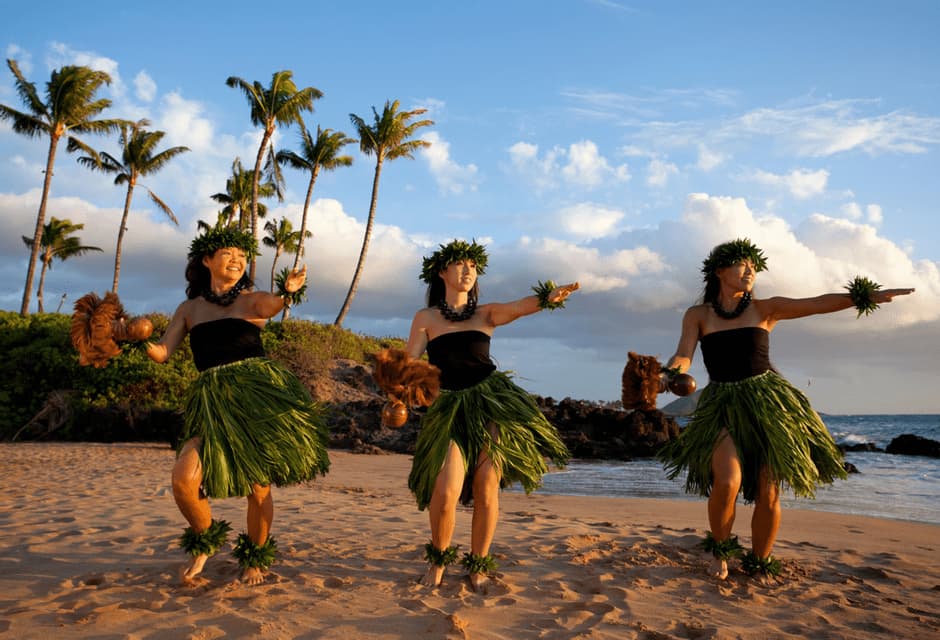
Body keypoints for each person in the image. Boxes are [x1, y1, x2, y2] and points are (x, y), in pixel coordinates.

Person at [658, 238, 914, 581]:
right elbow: (684, 353)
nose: (750, 270)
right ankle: (719, 552)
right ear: (720, 270)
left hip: (767, 404)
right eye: (742, 264)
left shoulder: (767, 309)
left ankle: (760, 560)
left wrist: (864, 296)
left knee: (768, 488)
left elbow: (817, 303)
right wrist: (670, 371)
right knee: (728, 480)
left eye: (754, 266)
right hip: (722, 404)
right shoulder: (698, 315)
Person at [145, 225, 330, 585]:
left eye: (243, 256)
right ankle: (205, 538)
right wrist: (132, 339)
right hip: (211, 403)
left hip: (254, 398)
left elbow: (273, 306)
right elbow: (162, 352)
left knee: (258, 488)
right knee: (184, 479)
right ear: (207, 260)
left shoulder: (251, 300)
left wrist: (287, 291)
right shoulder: (190, 309)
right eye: (228, 253)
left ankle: (255, 559)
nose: (237, 260)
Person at [402, 239, 578, 593]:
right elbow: (409, 364)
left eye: (472, 265)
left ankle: (478, 562)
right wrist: (399, 395)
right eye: (460, 265)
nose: (468, 271)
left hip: (489, 404)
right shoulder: (427, 318)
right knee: (447, 489)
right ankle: (438, 559)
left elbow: (519, 307)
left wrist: (547, 299)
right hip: (449, 408)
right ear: (442, 272)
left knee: (486, 486)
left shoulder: (486, 313)